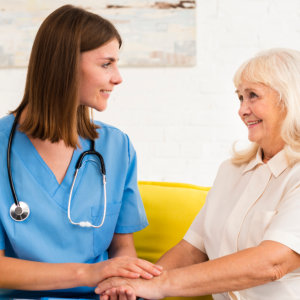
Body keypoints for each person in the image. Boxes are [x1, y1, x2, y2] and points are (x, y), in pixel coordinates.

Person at [97, 48, 300, 300]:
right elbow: (193, 248)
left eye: (253, 96)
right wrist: (135, 288)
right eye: (240, 98)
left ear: (288, 100)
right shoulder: (231, 171)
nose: (242, 110)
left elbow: (273, 263)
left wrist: (161, 285)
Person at [0, 4, 162, 296]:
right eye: (106, 64)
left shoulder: (116, 147)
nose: (118, 77)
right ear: (64, 64)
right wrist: (88, 273)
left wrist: (122, 286)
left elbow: (122, 247)